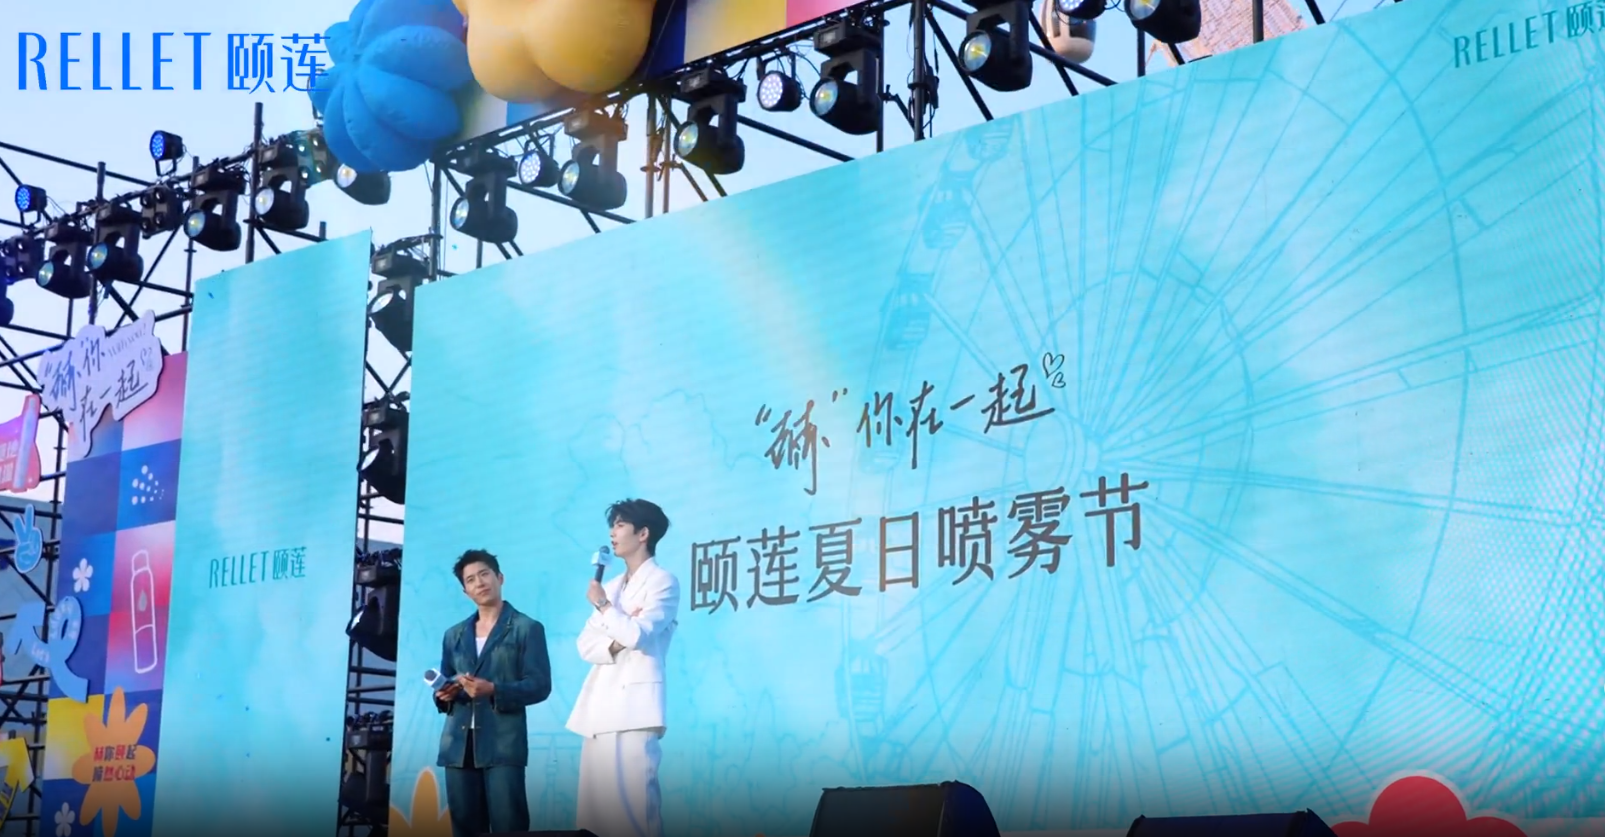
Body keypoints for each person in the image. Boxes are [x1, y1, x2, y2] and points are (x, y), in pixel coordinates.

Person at [567, 499, 681, 837]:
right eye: (612, 525)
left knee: (634, 811)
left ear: (643, 533)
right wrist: (617, 632)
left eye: (619, 525)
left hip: (636, 709)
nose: (612, 533)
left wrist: (604, 607)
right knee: (594, 814)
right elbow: (585, 645)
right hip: (599, 708)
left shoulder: (663, 581)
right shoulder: (613, 585)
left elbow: (638, 635)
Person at [435, 549, 553, 837]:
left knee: (508, 826)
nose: (480, 583)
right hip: (458, 746)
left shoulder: (526, 628)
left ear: (500, 578)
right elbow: (445, 680)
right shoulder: (453, 635)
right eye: (471, 580)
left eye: (484, 574)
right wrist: (443, 695)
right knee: (464, 828)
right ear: (465, 591)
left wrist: (494, 690)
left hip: (503, 743)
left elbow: (540, 685)